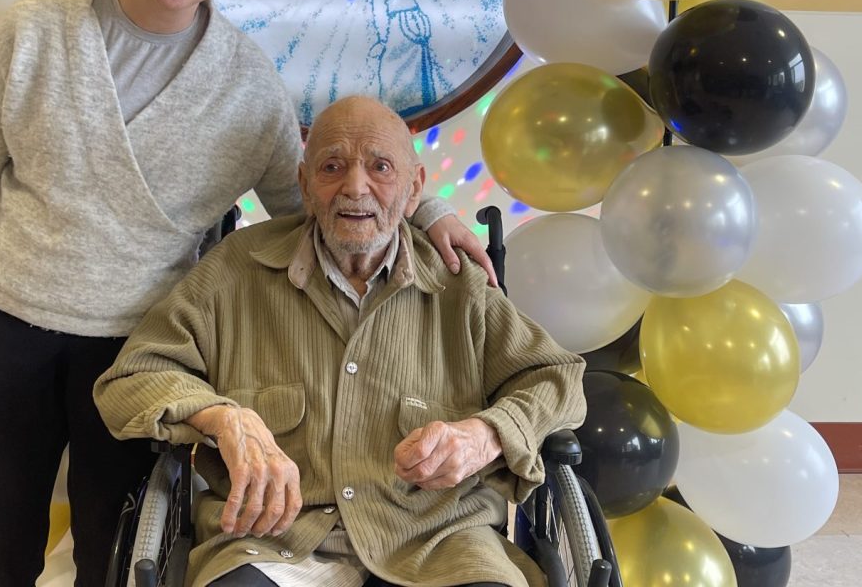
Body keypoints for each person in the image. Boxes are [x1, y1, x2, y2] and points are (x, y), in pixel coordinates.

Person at [0, 0, 494, 586]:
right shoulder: (35, 30)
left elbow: (321, 194)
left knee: (115, 559)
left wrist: (431, 210)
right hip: (3, 330)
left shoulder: (247, 87)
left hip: (135, 356)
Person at [94, 95, 587, 587]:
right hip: (270, 542)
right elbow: (134, 376)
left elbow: (556, 376)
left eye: (380, 167)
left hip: (440, 543)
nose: (355, 187)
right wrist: (223, 417)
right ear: (306, 186)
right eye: (332, 167)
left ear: (414, 189)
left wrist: (486, 435)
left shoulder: (460, 284)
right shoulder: (236, 269)